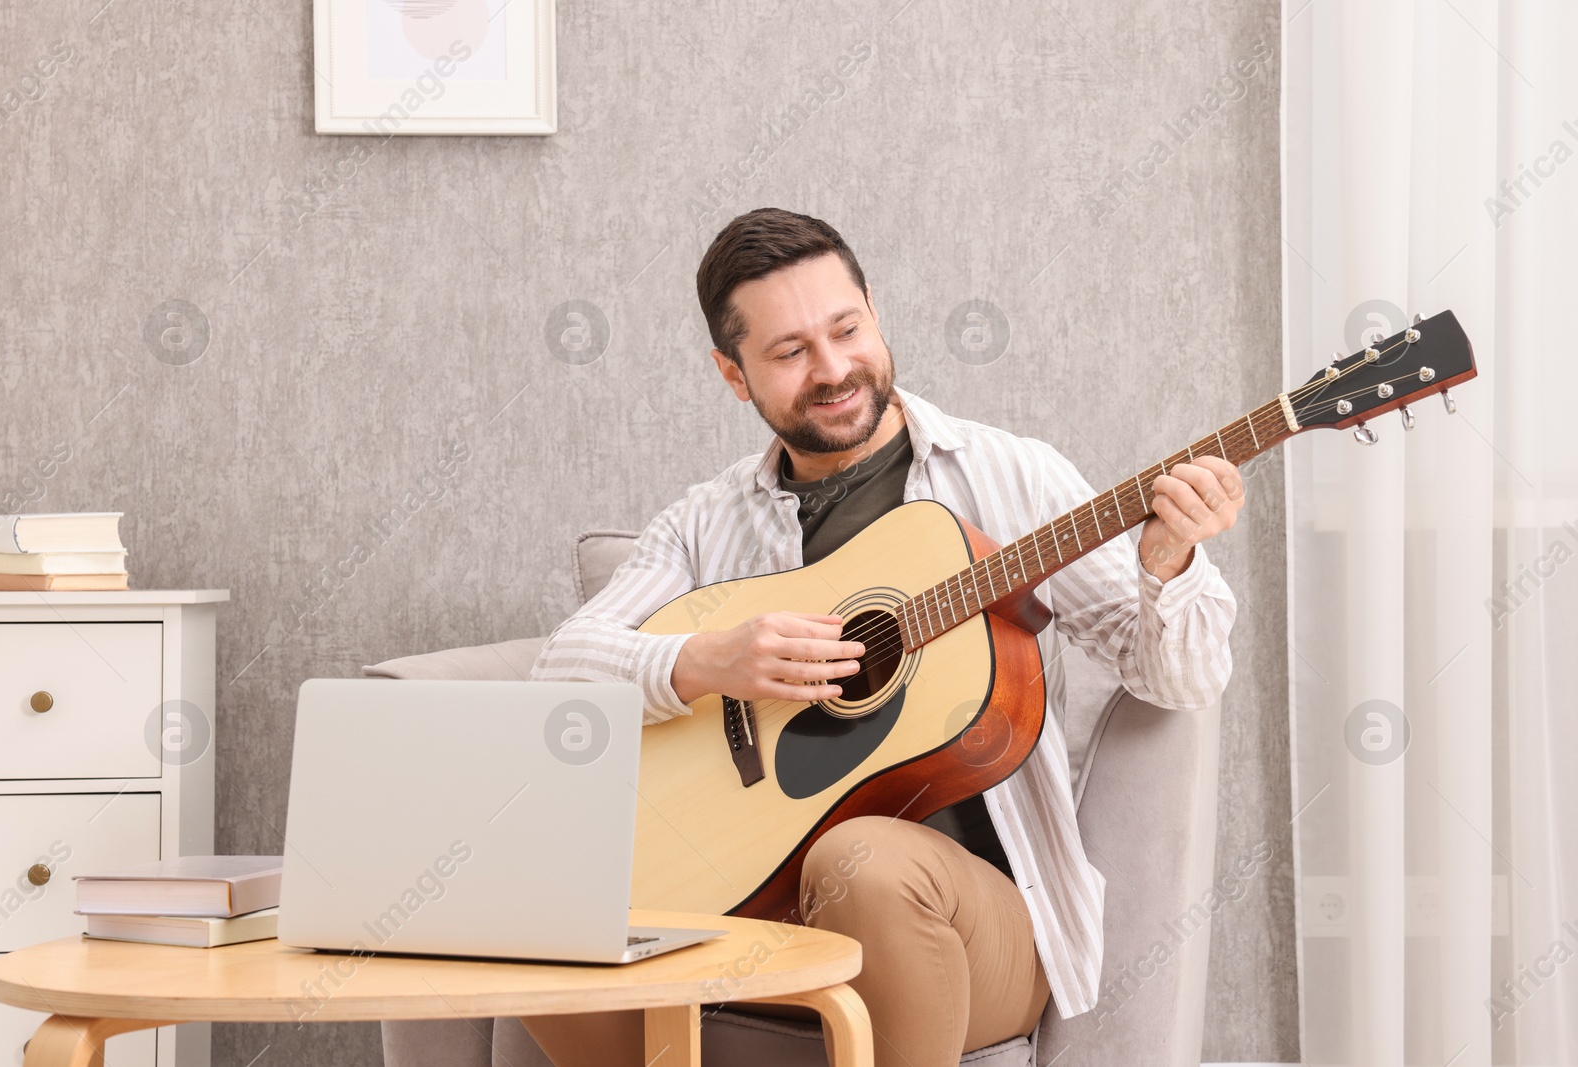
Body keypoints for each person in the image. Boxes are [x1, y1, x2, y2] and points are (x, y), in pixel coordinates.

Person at [522, 207, 1242, 1066]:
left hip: (972, 929)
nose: (833, 369)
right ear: (732, 372)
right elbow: (559, 672)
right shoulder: (704, 523)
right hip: (758, 915)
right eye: (790, 352)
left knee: (861, 858)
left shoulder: (1009, 478)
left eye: (847, 328)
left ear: (875, 310)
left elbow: (1179, 680)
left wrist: (1169, 565)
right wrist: (705, 659)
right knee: (540, 908)